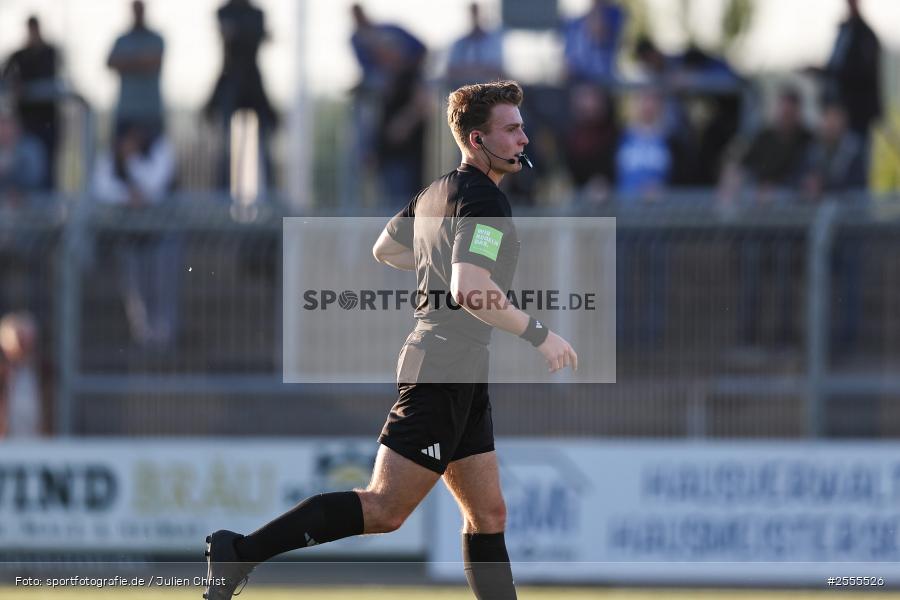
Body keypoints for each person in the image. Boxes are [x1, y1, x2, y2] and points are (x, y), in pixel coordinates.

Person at [203, 80, 577, 600]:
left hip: (458, 366)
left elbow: (386, 248)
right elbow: (472, 290)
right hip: (444, 363)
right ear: (476, 139)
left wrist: (440, 263)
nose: (524, 139)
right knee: (384, 508)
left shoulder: (435, 192)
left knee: (488, 513)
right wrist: (539, 334)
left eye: (521, 128)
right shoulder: (483, 197)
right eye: (511, 130)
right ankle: (238, 552)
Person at [91, 124, 179, 347]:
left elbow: (156, 184)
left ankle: (164, 334)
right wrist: (126, 195)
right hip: (130, 237)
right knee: (135, 287)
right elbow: (101, 188)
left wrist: (138, 193)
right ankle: (143, 334)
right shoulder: (110, 159)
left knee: (162, 283)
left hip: (161, 233)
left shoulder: (159, 150)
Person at [205, 0, 278, 191]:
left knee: (264, 143)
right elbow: (236, 37)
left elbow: (253, 39)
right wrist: (250, 34)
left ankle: (269, 194)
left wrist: (242, 34)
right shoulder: (224, 11)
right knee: (224, 145)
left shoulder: (256, 13)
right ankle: (222, 196)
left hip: (253, 82)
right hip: (231, 79)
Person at [820, 0, 882, 171]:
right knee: (835, 167)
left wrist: (829, 73)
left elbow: (863, 74)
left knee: (854, 167)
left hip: (857, 116)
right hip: (839, 115)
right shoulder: (845, 32)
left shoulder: (865, 36)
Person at [2, 16, 60, 190]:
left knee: (47, 169)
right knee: (23, 166)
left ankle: (47, 208)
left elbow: (49, 75)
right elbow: (5, 74)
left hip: (48, 120)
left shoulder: (50, 52)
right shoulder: (19, 55)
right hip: (26, 122)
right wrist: (14, 84)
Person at [107, 0, 165, 140]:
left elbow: (154, 62)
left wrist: (126, 61)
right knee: (122, 159)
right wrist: (141, 59)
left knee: (154, 159)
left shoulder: (156, 39)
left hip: (150, 114)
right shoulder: (121, 40)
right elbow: (110, 62)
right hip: (126, 112)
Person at [0, 312, 48, 437]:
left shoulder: (45, 373)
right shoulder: (3, 374)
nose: (22, 345)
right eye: (18, 338)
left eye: (26, 339)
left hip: (42, 446)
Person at [562, 0, 626, 83]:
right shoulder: (572, 15)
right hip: (574, 80)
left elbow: (598, 33)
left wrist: (596, 7)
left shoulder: (614, 13)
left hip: (599, 81)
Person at [445, 3, 505, 88]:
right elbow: (451, 70)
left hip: (488, 91)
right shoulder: (459, 43)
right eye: (472, 14)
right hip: (462, 90)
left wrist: (468, 71)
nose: (475, 17)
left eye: (477, 13)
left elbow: (497, 70)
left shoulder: (493, 43)